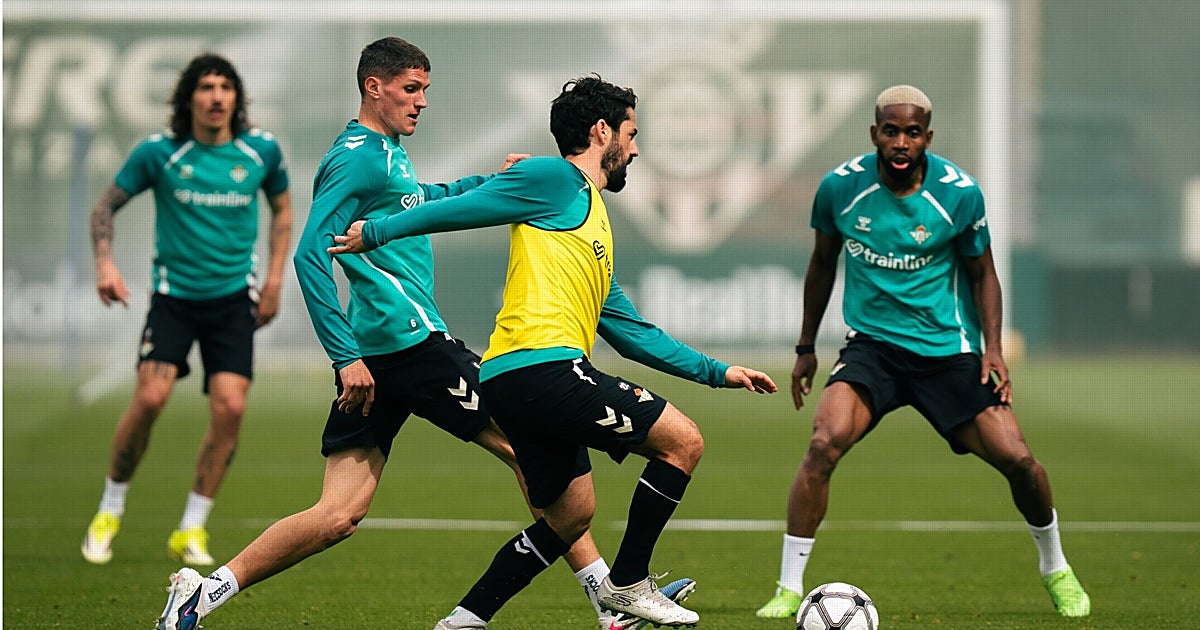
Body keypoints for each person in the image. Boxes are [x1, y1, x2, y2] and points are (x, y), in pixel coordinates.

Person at [153, 39, 689, 630]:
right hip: (410, 343)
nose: (422, 102)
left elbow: (428, 200)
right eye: (412, 89)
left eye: (425, 90)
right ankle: (609, 601)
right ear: (372, 87)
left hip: (386, 351)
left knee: (338, 515)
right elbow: (312, 252)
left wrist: (492, 181)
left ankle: (202, 593)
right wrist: (343, 356)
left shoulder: (385, 155)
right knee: (527, 441)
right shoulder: (360, 156)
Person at [327, 74, 779, 630]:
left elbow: (631, 332)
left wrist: (718, 372)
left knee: (570, 516)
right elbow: (464, 208)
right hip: (544, 371)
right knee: (683, 441)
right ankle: (630, 584)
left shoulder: (585, 212)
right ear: (601, 131)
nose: (636, 149)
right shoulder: (554, 177)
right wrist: (378, 231)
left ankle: (463, 621)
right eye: (631, 134)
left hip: (515, 382)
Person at [753, 85, 1091, 619]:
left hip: (946, 352)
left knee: (1020, 461)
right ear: (875, 134)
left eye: (913, 132)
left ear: (928, 137)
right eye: (891, 130)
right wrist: (804, 347)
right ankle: (789, 587)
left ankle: (1056, 567)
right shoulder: (840, 188)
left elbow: (984, 274)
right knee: (822, 444)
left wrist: (993, 350)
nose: (901, 141)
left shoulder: (959, 194)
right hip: (873, 349)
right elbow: (822, 265)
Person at [82, 52, 292, 567]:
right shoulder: (160, 152)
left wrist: (273, 280)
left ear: (237, 97)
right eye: (206, 87)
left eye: (226, 86)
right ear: (189, 98)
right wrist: (105, 265)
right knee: (150, 398)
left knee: (231, 408)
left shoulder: (261, 150)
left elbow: (283, 207)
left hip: (232, 302)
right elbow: (105, 206)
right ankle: (110, 509)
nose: (217, 96)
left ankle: (191, 527)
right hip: (174, 298)